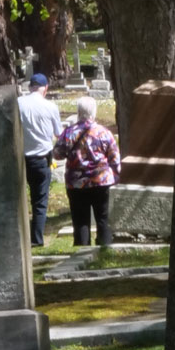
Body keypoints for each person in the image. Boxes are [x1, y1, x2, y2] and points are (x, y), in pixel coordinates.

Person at [55, 94, 121, 247]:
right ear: (94, 112)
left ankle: (82, 250)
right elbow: (115, 158)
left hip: (76, 183)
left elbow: (57, 154)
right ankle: (105, 248)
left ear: (78, 111)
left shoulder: (69, 133)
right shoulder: (104, 132)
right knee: (102, 218)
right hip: (101, 181)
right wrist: (115, 176)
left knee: (80, 221)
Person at [18, 69, 63, 248]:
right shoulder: (50, 107)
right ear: (45, 88)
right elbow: (58, 133)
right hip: (41, 158)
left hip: (20, 157)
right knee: (40, 200)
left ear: (30, 87)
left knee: (18, 199)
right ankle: (36, 239)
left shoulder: (18, 103)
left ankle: (19, 237)